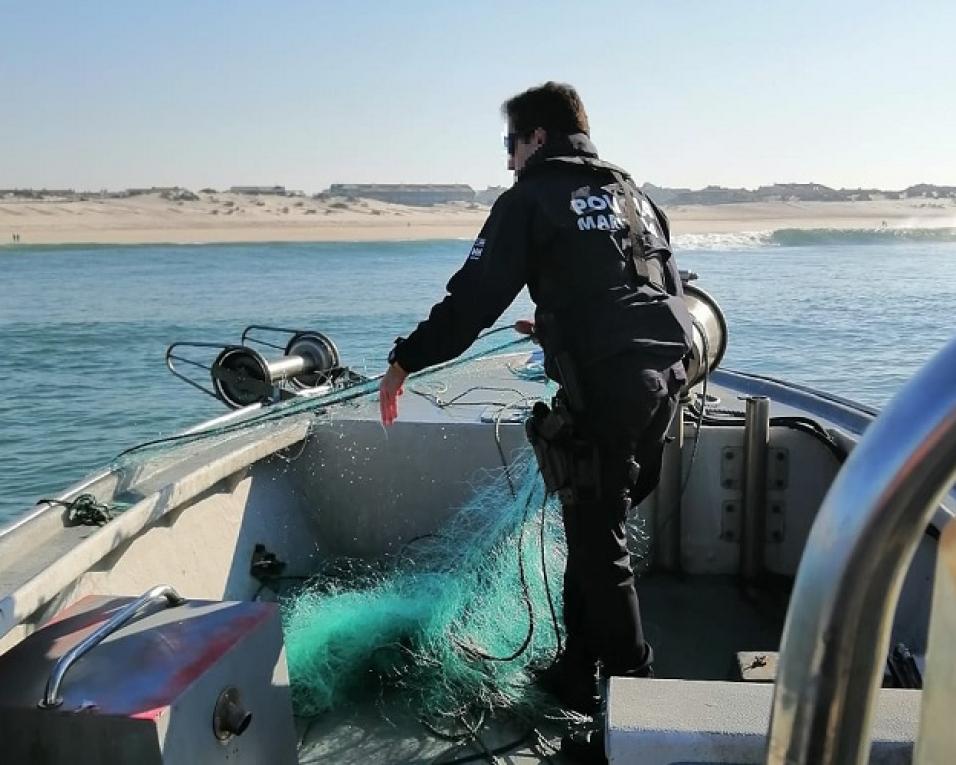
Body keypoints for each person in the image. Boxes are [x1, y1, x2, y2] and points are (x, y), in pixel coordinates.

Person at [379, 82, 692, 714]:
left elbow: (474, 299)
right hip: (666, 384)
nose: (507, 160)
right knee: (591, 529)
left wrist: (405, 358)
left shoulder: (532, 198)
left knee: (600, 544)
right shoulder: (634, 195)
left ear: (537, 138)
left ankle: (640, 701)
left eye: (510, 144)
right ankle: (577, 670)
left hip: (605, 387)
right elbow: (642, 287)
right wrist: (553, 323)